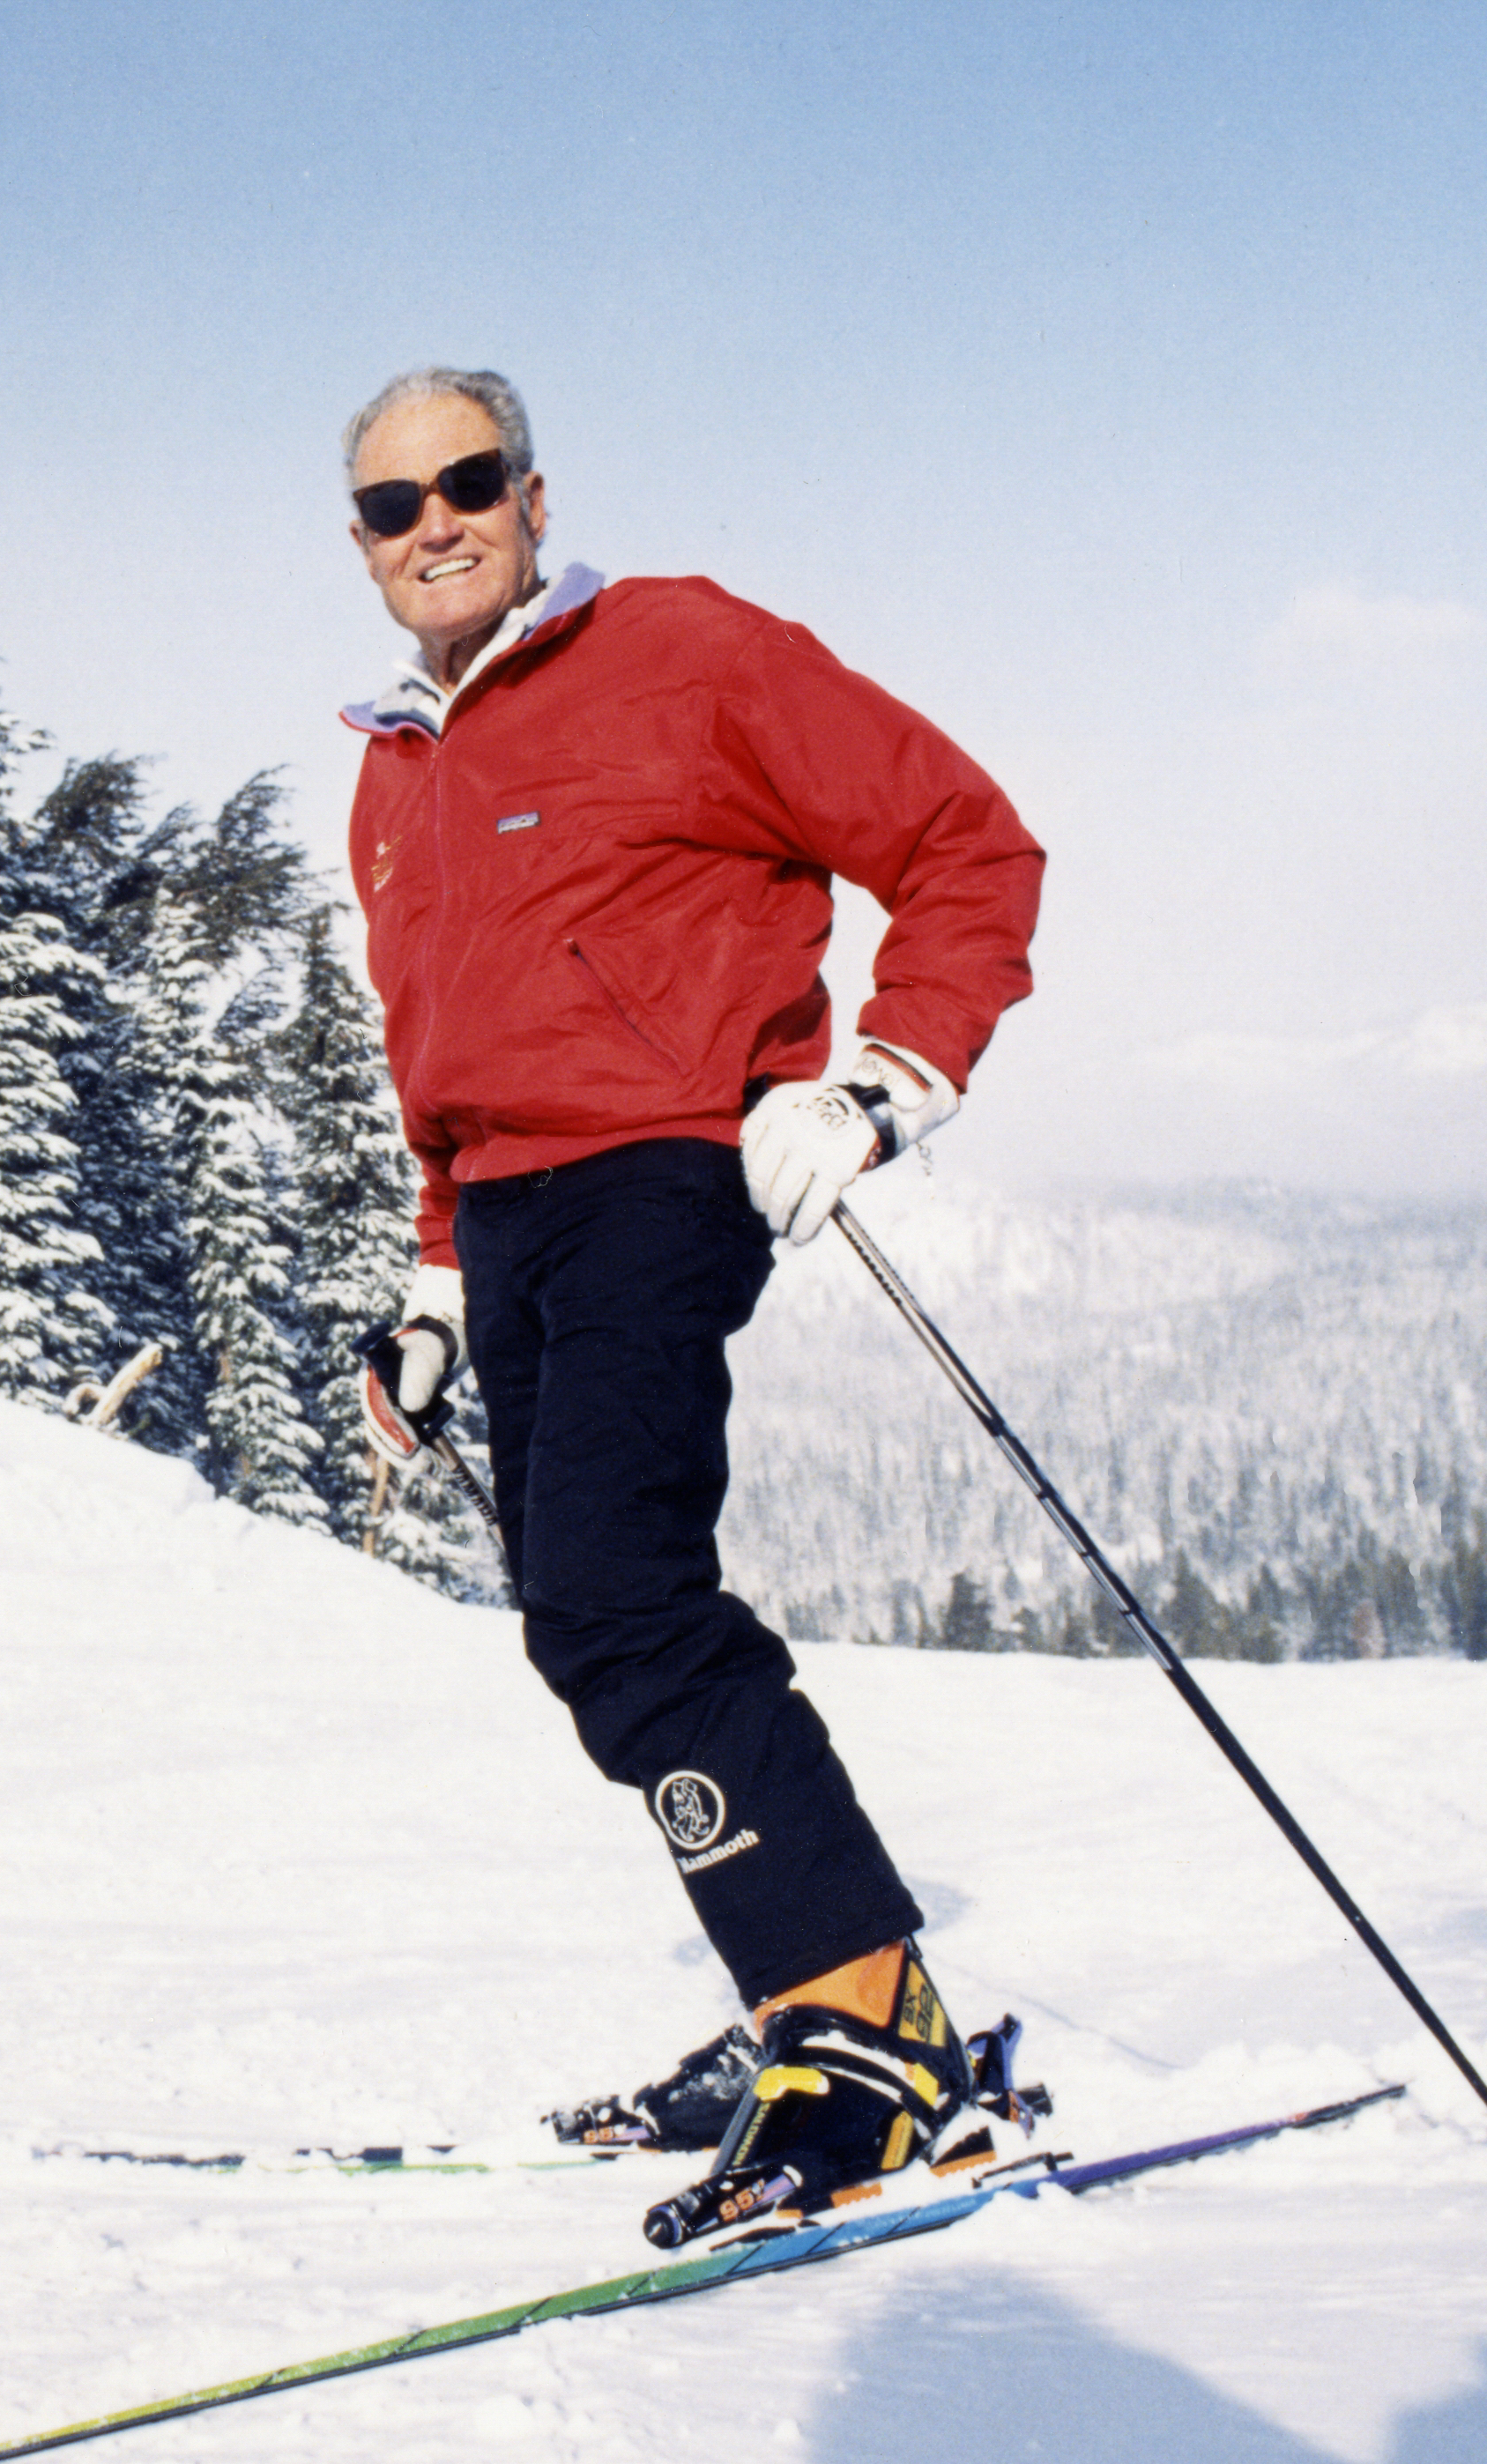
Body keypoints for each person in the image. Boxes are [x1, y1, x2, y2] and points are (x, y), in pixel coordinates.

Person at [334, 367, 1047, 2245]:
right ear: (360, 544)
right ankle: (805, 2002)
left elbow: (967, 844)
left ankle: (867, 2043)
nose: (435, 525)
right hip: (501, 1216)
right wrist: (432, 1291)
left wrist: (883, 1079)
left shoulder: (689, 653)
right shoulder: (389, 771)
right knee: (576, 1623)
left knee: (616, 1591)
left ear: (535, 495)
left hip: (669, 1165)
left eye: (466, 482)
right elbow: (435, 1058)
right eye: (392, 505)